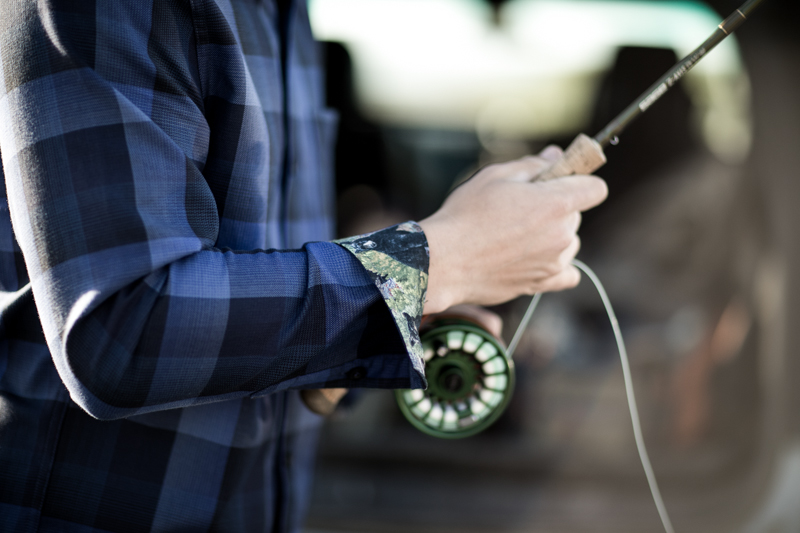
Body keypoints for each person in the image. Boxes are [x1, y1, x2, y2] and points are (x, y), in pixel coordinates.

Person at [0, 0, 607, 531]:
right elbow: (121, 334)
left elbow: (254, 283)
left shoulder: (289, 16)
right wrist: (432, 263)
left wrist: (395, 308)